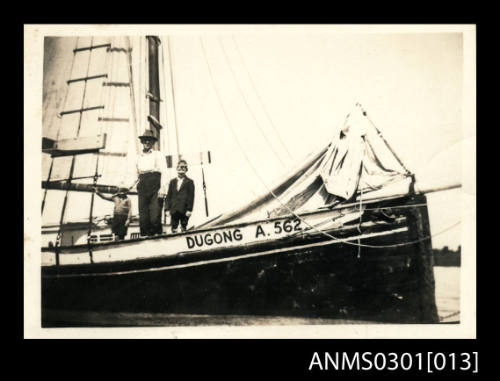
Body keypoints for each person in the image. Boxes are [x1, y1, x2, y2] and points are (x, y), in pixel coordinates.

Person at [135, 130, 169, 236]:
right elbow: (134, 175)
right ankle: (145, 242)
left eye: (149, 140)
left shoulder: (158, 155)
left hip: (155, 186)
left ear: (153, 142)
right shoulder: (138, 157)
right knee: (144, 218)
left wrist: (163, 188)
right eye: (145, 140)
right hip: (142, 186)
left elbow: (165, 172)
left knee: (155, 217)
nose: (147, 142)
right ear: (142, 142)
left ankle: (157, 239)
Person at [165, 159, 195, 233]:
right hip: (174, 209)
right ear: (177, 168)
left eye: (183, 167)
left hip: (184, 210)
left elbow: (191, 197)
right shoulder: (172, 182)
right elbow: (168, 196)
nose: (181, 169)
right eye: (179, 167)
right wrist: (167, 209)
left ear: (186, 169)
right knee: (174, 228)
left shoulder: (190, 182)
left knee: (183, 228)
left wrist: (189, 209)